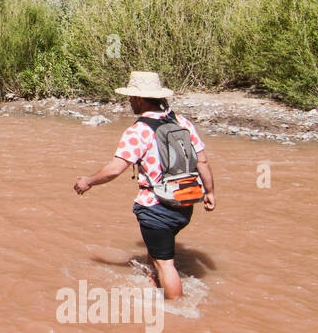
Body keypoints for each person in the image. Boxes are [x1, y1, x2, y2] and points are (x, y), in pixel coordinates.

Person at [72, 71, 216, 299]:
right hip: (185, 201)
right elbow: (203, 160)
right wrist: (209, 192)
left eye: (130, 98)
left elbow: (114, 169)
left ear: (139, 99)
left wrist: (87, 181)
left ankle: (178, 311)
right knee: (157, 250)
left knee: (165, 264)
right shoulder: (182, 122)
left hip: (156, 206)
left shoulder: (139, 130)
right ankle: (152, 286)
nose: (129, 102)